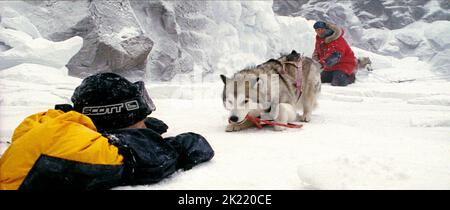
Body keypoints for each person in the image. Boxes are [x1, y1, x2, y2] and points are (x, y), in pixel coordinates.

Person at [0, 72, 214, 190]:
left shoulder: (50, 125)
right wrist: (179, 144)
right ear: (115, 119)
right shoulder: (86, 150)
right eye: (139, 117)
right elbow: (153, 159)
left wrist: (140, 128)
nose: (144, 121)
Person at [312, 21, 357, 86]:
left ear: (326, 29)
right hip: (329, 67)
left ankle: (350, 76)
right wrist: (314, 61)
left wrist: (321, 63)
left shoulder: (336, 39)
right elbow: (317, 51)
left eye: (321, 29)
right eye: (317, 30)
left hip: (344, 65)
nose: (319, 31)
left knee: (338, 82)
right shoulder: (320, 39)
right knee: (319, 80)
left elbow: (335, 55)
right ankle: (334, 76)